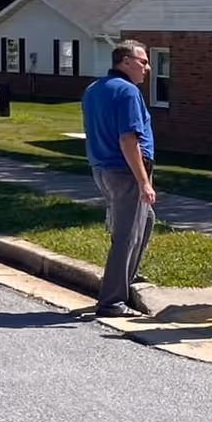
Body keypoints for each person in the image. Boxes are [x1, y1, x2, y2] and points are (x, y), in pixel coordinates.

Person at [81, 39, 158, 318]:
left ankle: (125, 279)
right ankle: (112, 301)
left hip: (102, 168)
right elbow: (128, 140)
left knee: (146, 220)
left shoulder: (94, 89)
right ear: (125, 62)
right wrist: (143, 181)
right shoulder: (127, 92)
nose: (147, 68)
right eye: (143, 61)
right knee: (126, 235)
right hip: (126, 171)